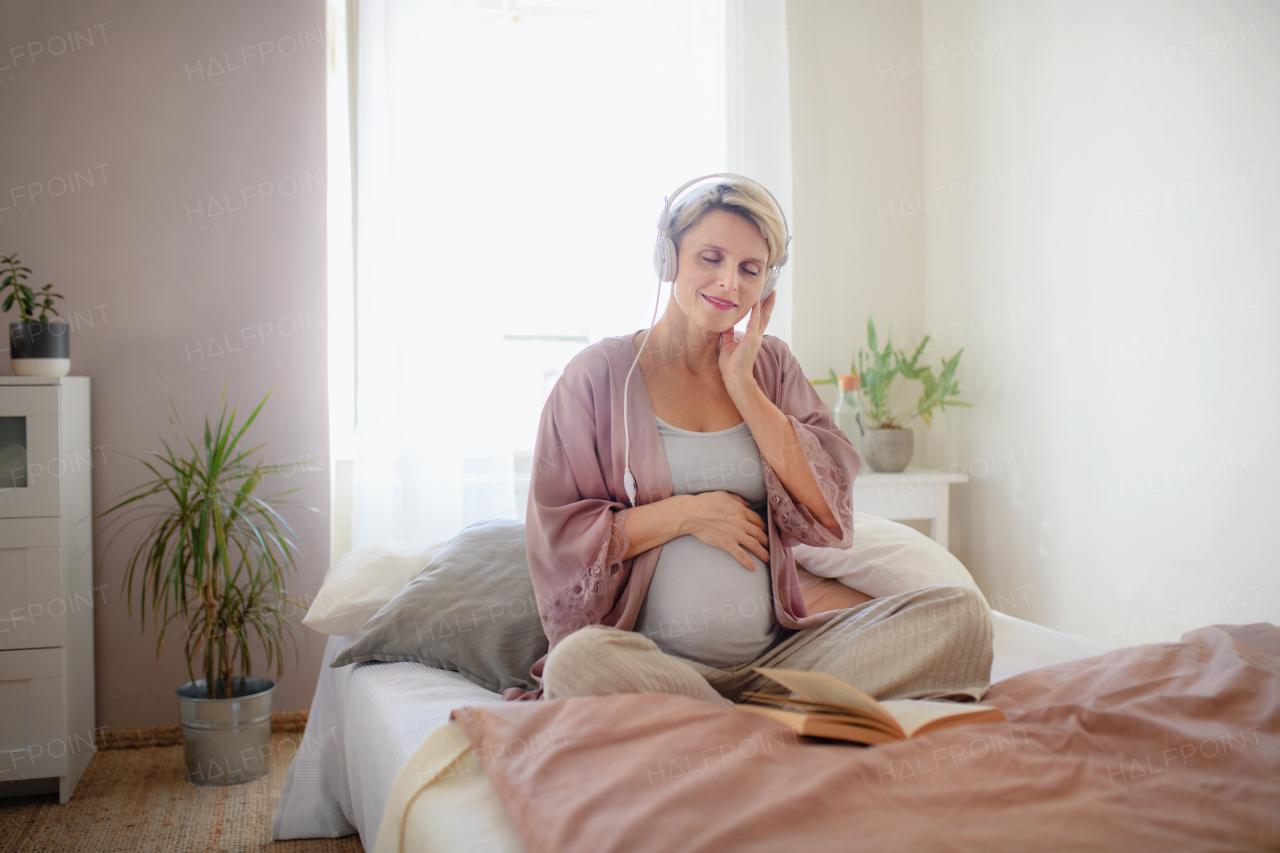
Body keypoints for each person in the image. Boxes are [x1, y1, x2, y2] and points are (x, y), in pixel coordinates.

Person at [514, 175, 991, 707]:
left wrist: (742, 382)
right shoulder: (597, 377)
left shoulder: (772, 367)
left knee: (962, 615)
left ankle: (732, 720)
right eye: (710, 258)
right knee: (578, 663)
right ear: (668, 260)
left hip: (776, 665)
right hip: (650, 666)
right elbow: (559, 543)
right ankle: (740, 720)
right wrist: (688, 514)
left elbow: (828, 510)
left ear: (767, 283)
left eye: (749, 270)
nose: (729, 284)